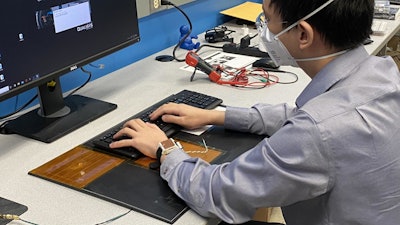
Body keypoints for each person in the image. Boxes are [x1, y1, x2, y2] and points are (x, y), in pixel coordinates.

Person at [110, 0, 400, 224]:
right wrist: (218, 115)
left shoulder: (317, 130)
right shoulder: (383, 74)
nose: (266, 29)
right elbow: (309, 118)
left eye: (268, 19)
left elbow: (219, 192)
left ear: (303, 34)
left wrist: (165, 149)